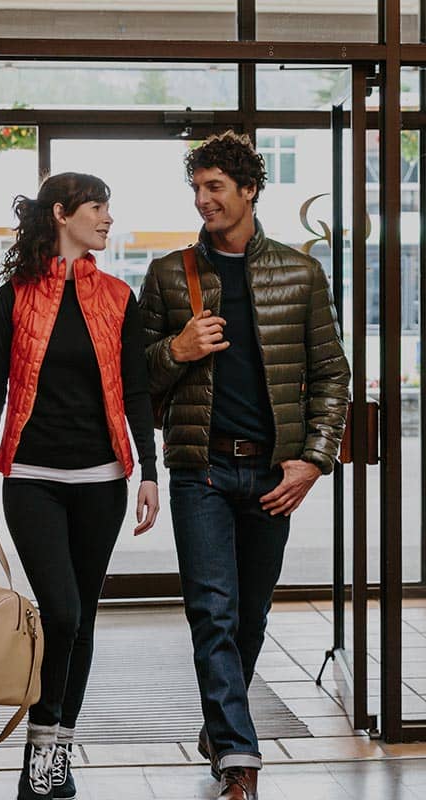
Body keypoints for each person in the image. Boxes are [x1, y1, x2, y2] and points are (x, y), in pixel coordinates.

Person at [138, 131, 350, 800]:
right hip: (199, 469)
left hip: (271, 475)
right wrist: (177, 346)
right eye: (196, 189)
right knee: (213, 611)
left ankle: (220, 725)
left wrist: (313, 462)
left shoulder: (299, 272)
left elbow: (330, 376)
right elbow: (136, 377)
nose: (203, 200)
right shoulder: (172, 274)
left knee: (251, 616)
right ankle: (238, 754)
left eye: (215, 187)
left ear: (249, 189)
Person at [0, 172, 159, 800]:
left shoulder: (118, 297)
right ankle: (43, 748)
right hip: (33, 480)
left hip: (103, 480)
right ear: (63, 213)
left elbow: (135, 390)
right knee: (62, 612)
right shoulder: (14, 297)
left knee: (83, 620)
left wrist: (148, 472)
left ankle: (51, 758)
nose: (107, 219)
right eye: (99, 207)